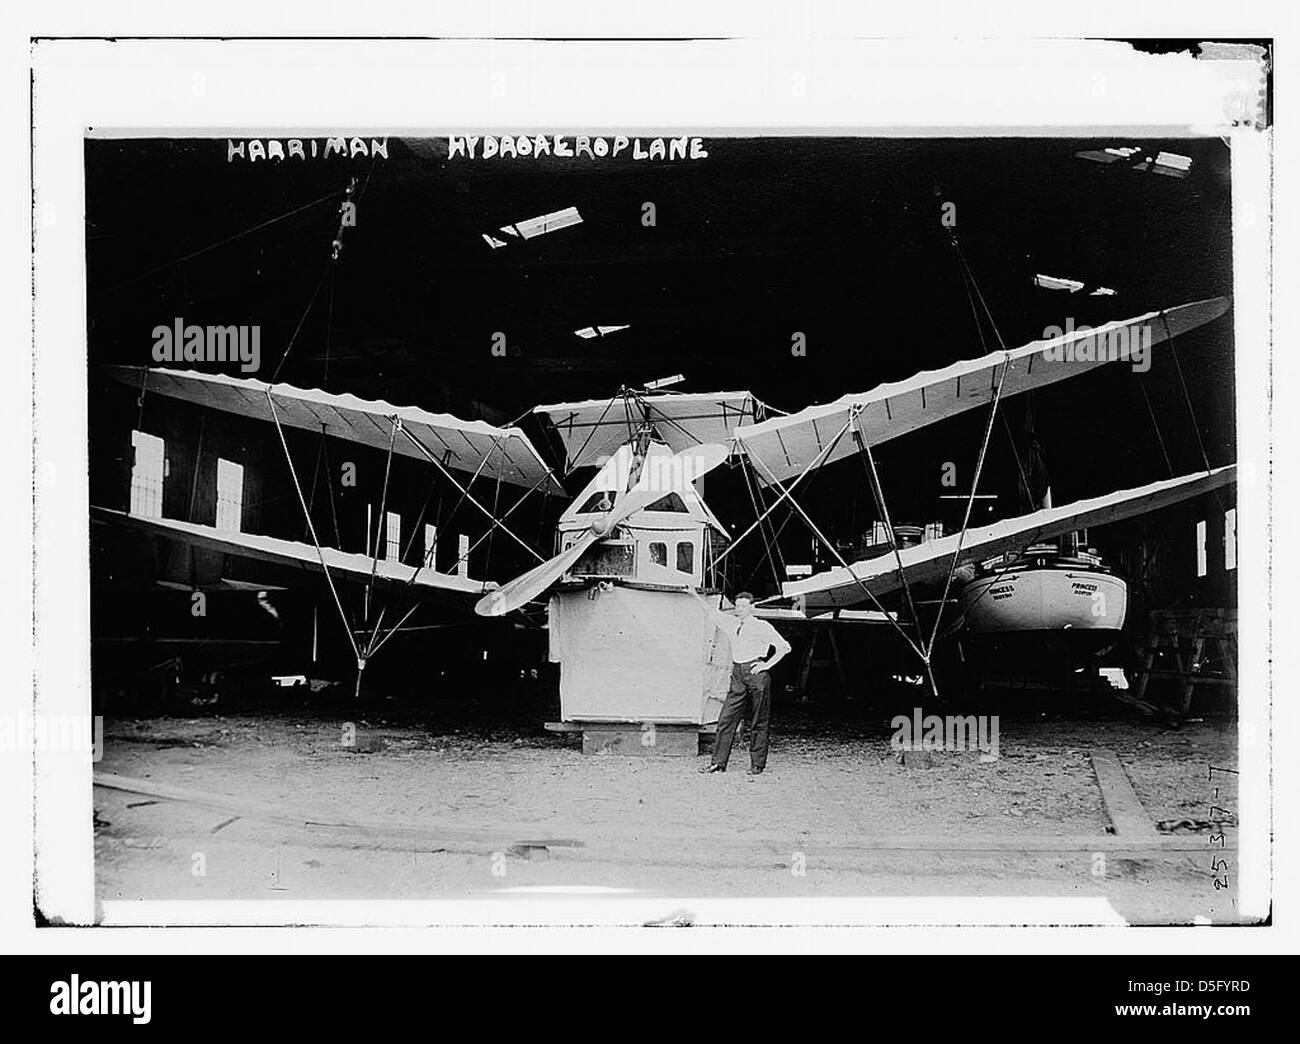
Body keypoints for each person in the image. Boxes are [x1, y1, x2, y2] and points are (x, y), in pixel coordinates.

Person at [695, 590, 791, 775]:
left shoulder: (762, 626)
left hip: (756, 675)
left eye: (743, 606)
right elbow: (710, 612)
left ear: (752, 607)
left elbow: (784, 647)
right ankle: (718, 763)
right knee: (726, 719)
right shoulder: (731, 623)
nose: (739, 609)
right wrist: (693, 594)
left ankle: (757, 764)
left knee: (759, 720)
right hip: (737, 674)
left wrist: (766, 665)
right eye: (737, 606)